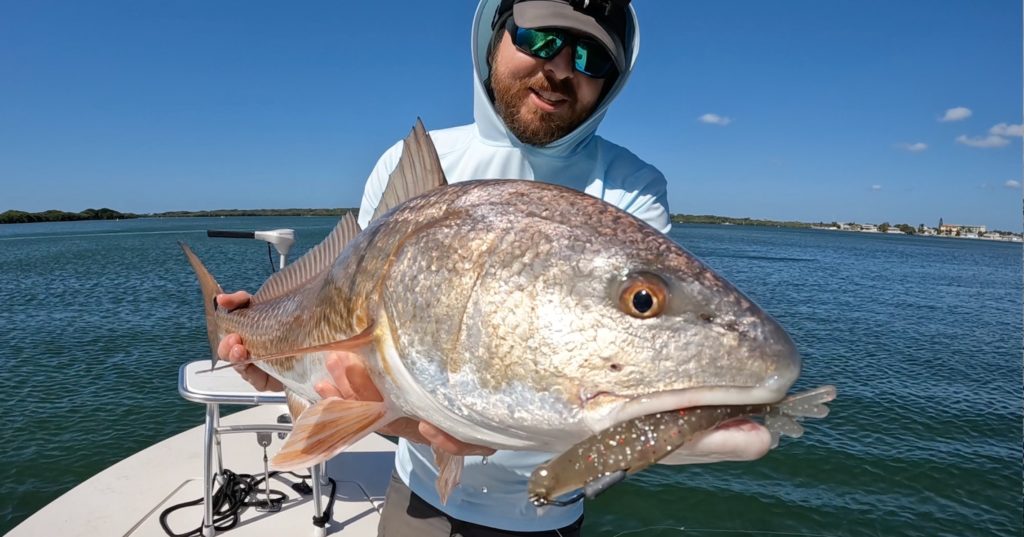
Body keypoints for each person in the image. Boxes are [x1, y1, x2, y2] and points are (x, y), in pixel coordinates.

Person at [218, 1, 770, 535]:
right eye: (539, 38)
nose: (558, 67)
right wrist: (277, 356)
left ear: (612, 81)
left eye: (590, 58)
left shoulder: (632, 188)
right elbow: (347, 351)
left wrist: (462, 424)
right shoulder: (411, 159)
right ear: (493, 35)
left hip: (547, 517)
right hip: (418, 502)